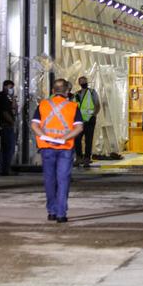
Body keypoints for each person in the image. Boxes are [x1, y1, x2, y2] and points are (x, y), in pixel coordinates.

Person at [31, 78, 83, 222]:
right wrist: (64, 138)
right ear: (67, 91)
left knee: (49, 180)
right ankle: (61, 214)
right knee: (63, 180)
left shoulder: (43, 105)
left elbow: (34, 126)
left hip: (47, 148)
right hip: (65, 148)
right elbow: (79, 127)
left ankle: (51, 211)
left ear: (53, 91)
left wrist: (45, 137)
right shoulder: (73, 106)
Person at [74, 75, 101, 169]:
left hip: (90, 120)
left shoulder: (92, 92)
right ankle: (79, 157)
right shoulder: (76, 94)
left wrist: (93, 115)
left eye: (84, 81)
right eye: (81, 81)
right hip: (79, 121)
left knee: (88, 140)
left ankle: (86, 158)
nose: (83, 83)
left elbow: (97, 104)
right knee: (77, 140)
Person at [0, 80, 17, 175]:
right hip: (6, 126)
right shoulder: (2, 97)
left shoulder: (7, 97)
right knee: (8, 149)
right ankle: (5, 169)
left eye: (12, 87)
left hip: (7, 126)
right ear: (5, 86)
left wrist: (13, 99)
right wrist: (12, 122)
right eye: (10, 87)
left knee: (7, 149)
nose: (11, 89)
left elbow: (13, 108)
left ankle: (5, 169)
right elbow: (4, 112)